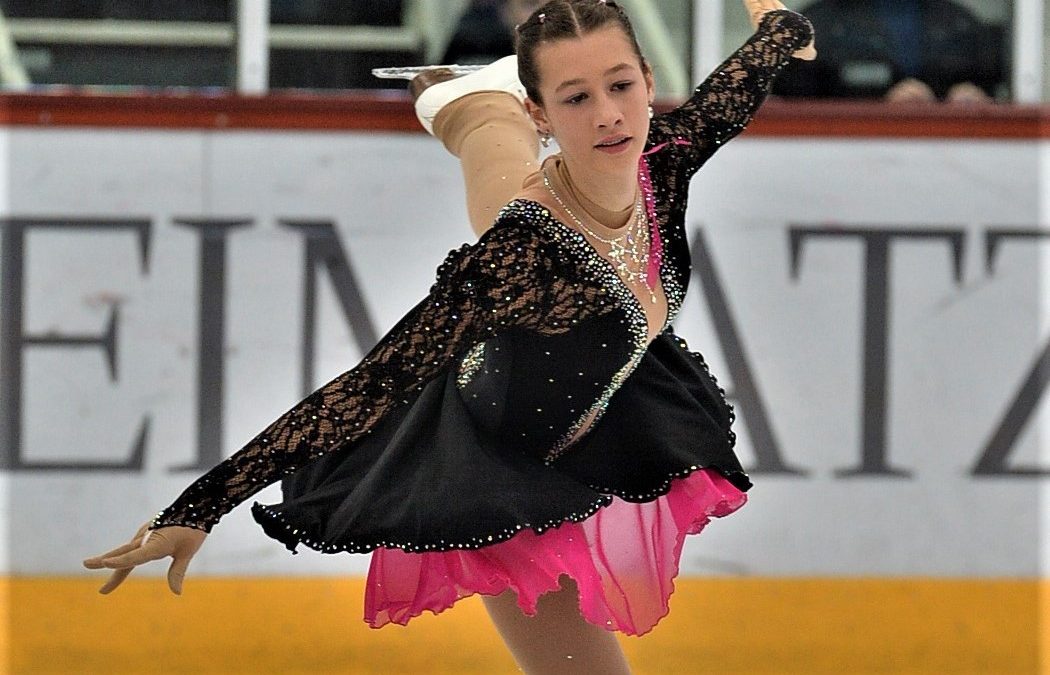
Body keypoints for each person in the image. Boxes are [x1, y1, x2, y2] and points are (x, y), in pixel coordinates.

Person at [84, 1, 815, 672]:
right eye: (576, 98)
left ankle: (472, 99)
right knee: (507, 205)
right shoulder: (518, 260)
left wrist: (782, 27)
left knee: (504, 179)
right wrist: (200, 506)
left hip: (583, 382)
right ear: (543, 110)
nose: (609, 116)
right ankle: (468, 102)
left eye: (621, 86)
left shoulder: (665, 162)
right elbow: (366, 388)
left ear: (650, 79)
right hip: (495, 463)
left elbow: (736, 87)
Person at [772, 0, 1000, 103]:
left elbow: (992, 85)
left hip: (952, 157)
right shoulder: (814, 27)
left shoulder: (960, 22)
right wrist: (878, 106)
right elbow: (792, 105)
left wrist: (972, 99)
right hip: (851, 162)